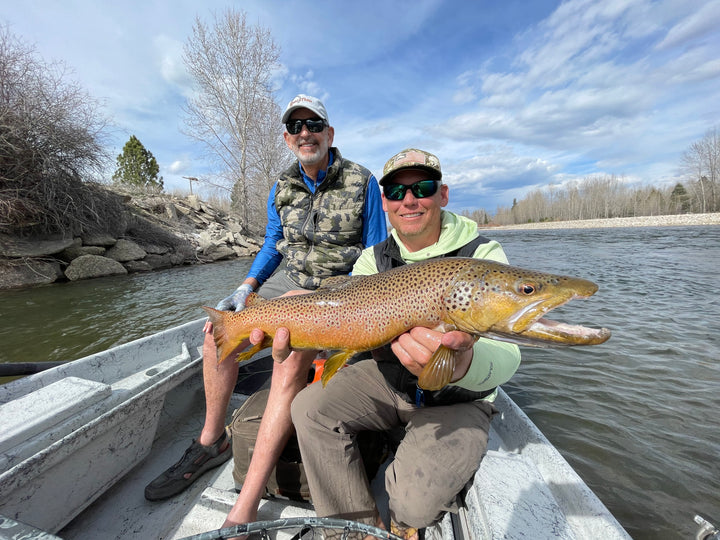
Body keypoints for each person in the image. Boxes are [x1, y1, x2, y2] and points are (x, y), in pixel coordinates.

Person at [144, 94, 387, 530]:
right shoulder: (282, 184)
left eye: (313, 124)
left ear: (330, 134)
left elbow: (376, 254)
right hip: (290, 281)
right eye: (296, 128)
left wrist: (355, 307)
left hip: (345, 291)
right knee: (215, 333)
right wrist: (246, 286)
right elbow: (273, 245)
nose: (305, 133)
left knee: (290, 355)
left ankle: (246, 506)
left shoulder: (363, 181)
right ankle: (211, 440)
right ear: (288, 138)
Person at [282, 148, 523, 539]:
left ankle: (404, 521)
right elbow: (344, 323)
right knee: (309, 408)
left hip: (458, 402)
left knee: (412, 504)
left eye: (422, 187)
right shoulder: (372, 260)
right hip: (388, 382)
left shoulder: (482, 256)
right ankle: (358, 531)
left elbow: (510, 356)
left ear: (442, 195)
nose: (409, 200)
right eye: (396, 191)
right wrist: (297, 326)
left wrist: (462, 364)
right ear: (384, 202)